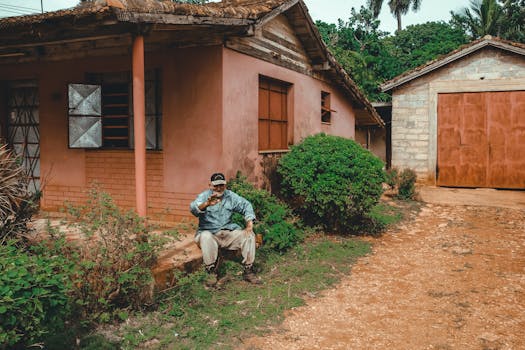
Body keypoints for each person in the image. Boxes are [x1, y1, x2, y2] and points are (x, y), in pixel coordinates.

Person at [190, 172, 261, 287]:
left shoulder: (230, 196)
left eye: (221, 185)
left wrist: (249, 223)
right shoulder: (204, 196)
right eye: (215, 185)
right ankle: (211, 272)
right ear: (210, 185)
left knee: (249, 235)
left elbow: (246, 205)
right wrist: (206, 204)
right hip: (210, 233)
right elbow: (193, 209)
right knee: (206, 236)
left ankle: (248, 270)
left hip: (228, 233)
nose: (218, 188)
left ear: (225, 185)